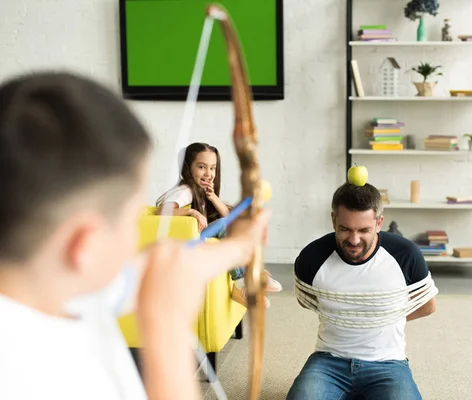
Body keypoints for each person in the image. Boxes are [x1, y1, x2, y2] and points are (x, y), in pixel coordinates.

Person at [0, 71, 270, 400]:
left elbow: (141, 273)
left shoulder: (62, 284)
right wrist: (167, 327)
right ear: (87, 244)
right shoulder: (47, 376)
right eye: (128, 223)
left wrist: (238, 247)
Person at [287, 182, 437, 400]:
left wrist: (382, 318)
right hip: (329, 361)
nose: (354, 240)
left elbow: (427, 305)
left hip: (388, 364)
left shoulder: (405, 254)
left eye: (364, 230)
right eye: (345, 229)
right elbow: (305, 300)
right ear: (333, 220)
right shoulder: (312, 257)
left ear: (379, 223)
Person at [156, 142, 282, 307]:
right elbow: (161, 212)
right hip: (187, 242)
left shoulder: (201, 191)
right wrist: (191, 212)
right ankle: (241, 284)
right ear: (187, 167)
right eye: (202, 167)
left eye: (213, 168)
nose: (208, 173)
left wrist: (213, 197)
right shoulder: (185, 191)